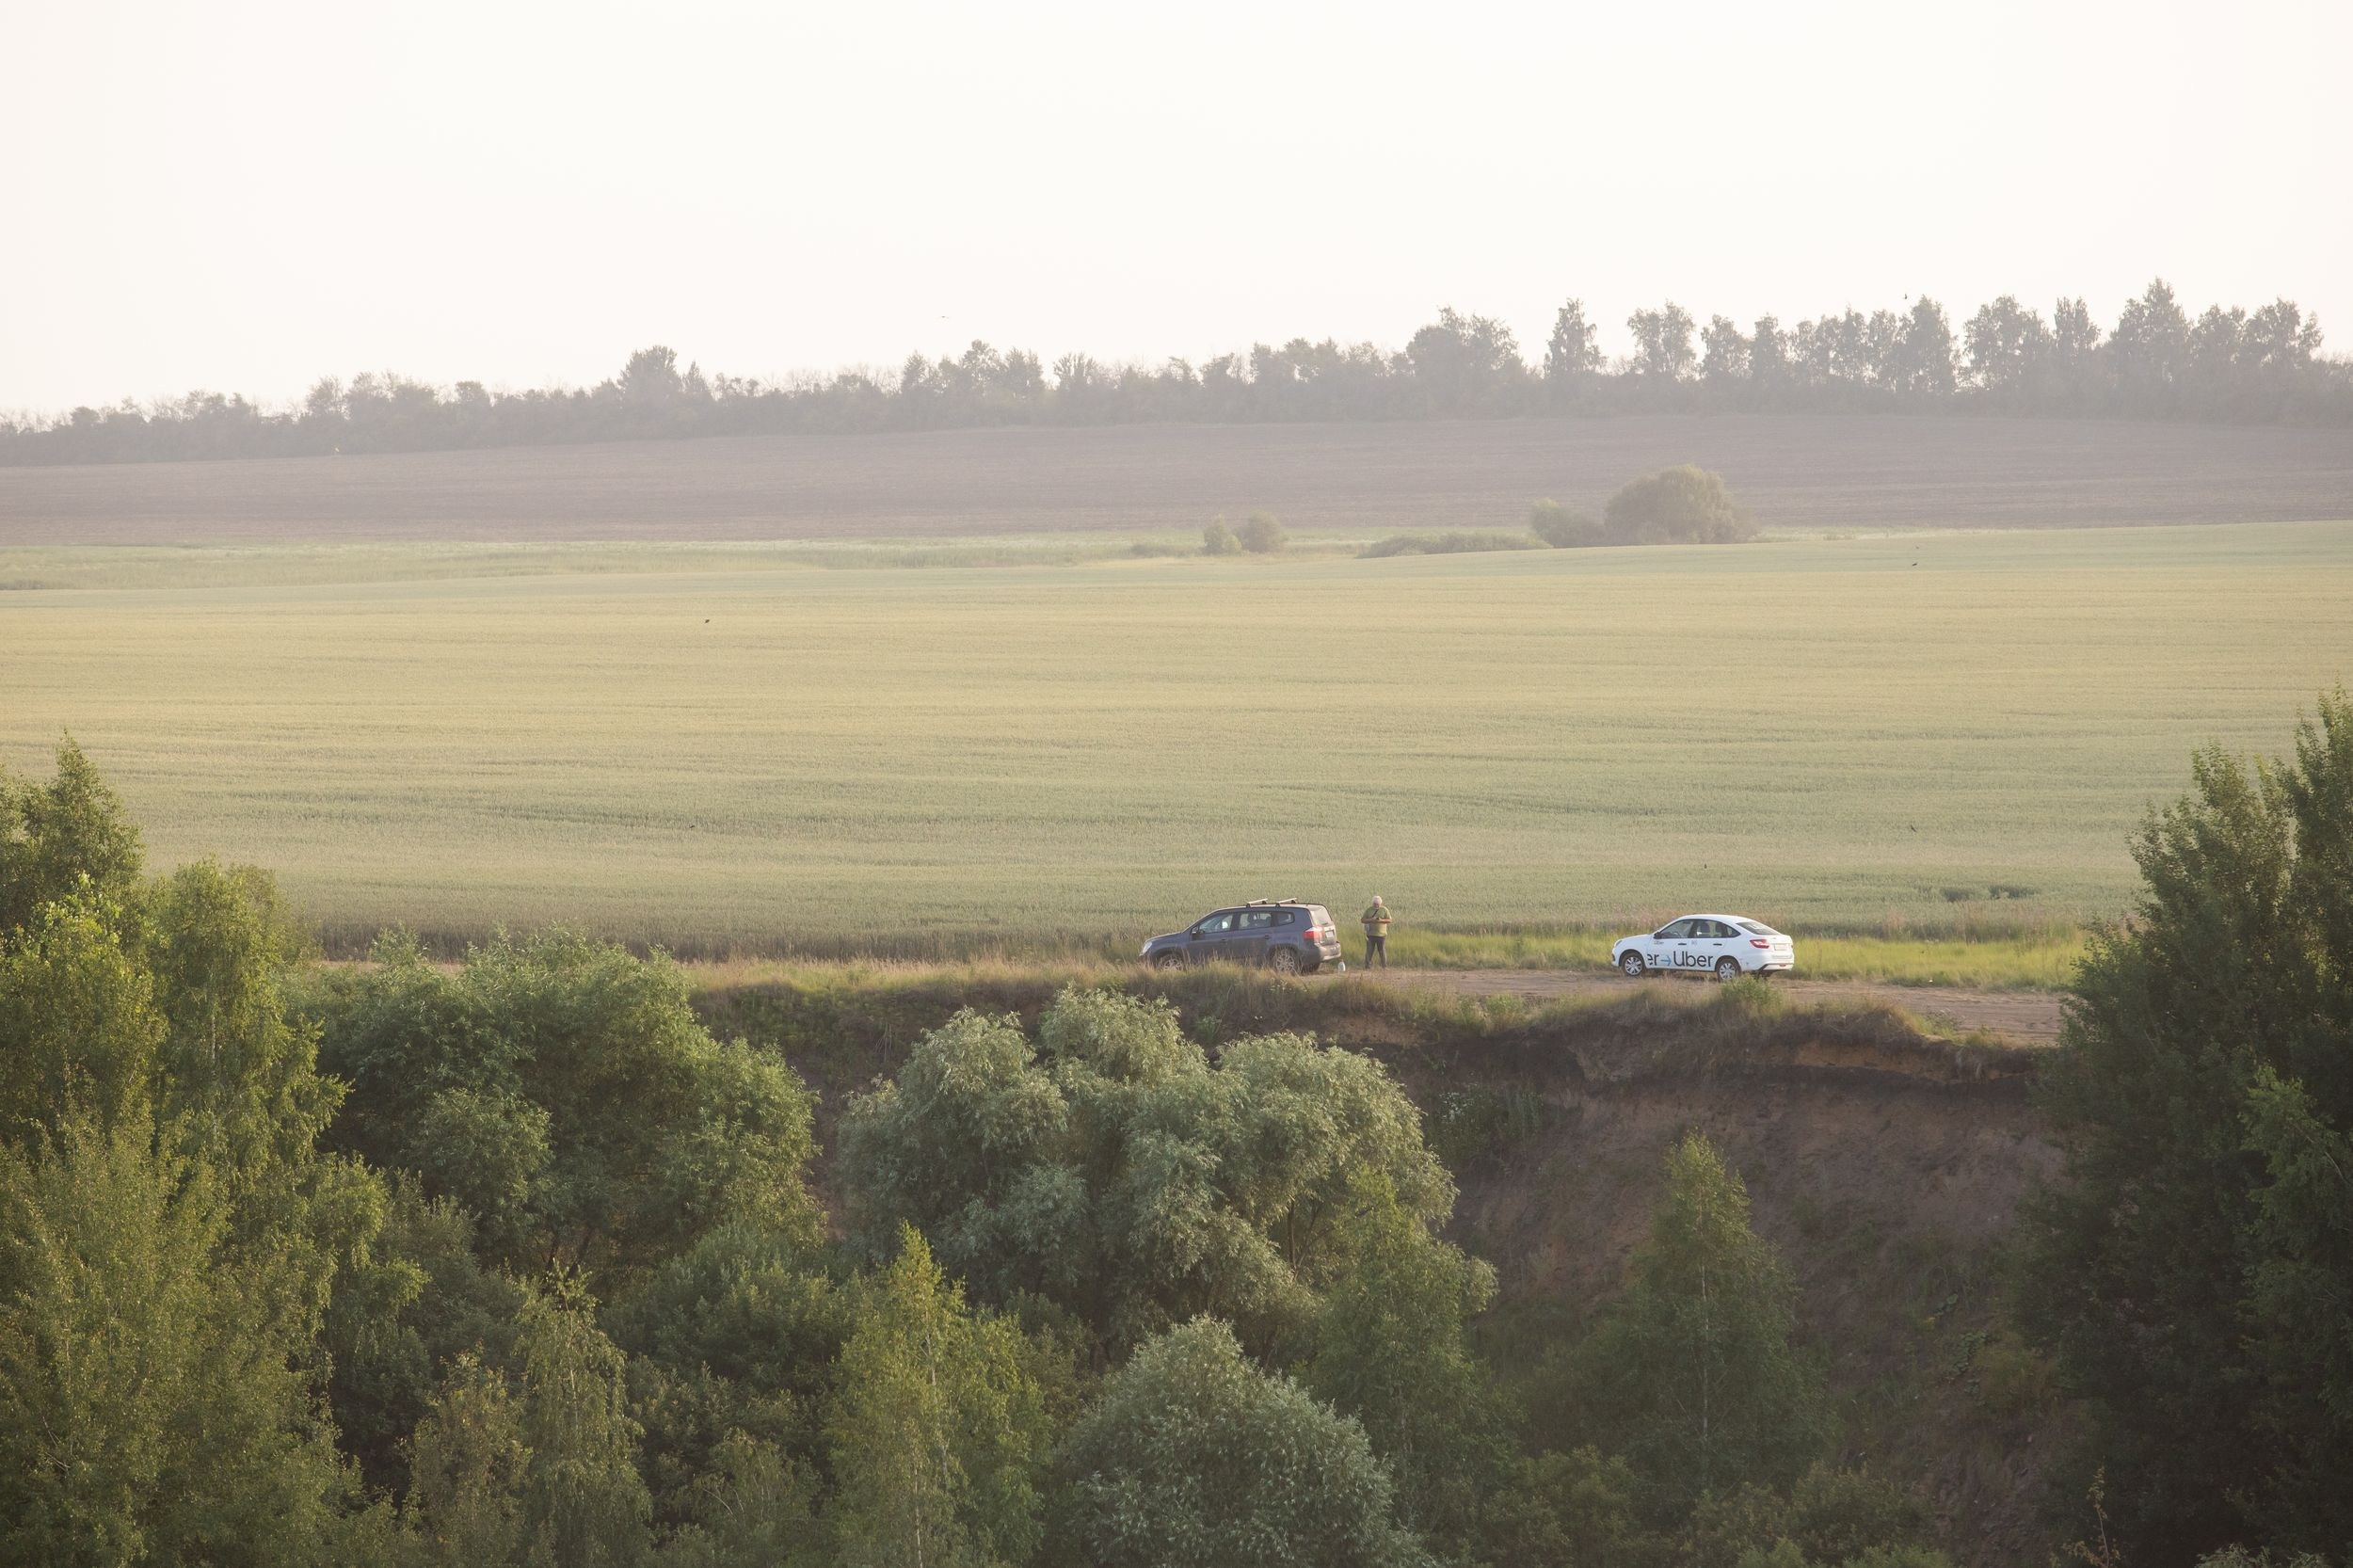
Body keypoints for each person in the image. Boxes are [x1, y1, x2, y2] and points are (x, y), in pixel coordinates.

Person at [1359, 895, 1391, 968]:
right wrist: (1371, 920)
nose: (1376, 905)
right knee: (1369, 951)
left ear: (1381, 903)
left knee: (1382, 951)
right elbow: (1362, 920)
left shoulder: (1384, 910)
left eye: (1378, 904)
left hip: (1382, 935)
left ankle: (1384, 967)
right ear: (1372, 903)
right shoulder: (1369, 910)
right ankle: (1367, 967)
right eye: (1375, 904)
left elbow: (1390, 920)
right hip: (1370, 934)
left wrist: (1381, 920)